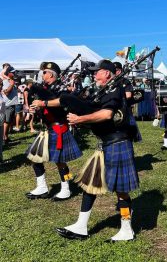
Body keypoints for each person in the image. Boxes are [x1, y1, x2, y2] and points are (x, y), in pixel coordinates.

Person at [52, 60, 138, 241]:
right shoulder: (103, 90)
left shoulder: (115, 88)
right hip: (104, 144)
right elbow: (91, 107)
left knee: (121, 190)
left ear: (107, 73)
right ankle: (81, 226)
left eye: (96, 72)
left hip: (117, 143)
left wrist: (80, 119)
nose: (93, 75)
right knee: (91, 185)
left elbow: (106, 114)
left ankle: (126, 229)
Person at [26, 62, 82, 201]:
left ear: (50, 74)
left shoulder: (61, 87)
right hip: (46, 128)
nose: (42, 74)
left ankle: (66, 189)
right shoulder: (43, 88)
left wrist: (43, 103)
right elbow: (41, 106)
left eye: (44, 72)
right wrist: (35, 109)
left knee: (60, 161)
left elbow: (62, 102)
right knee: (33, 156)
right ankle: (42, 187)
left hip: (58, 127)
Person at [113, 61, 142, 142]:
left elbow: (128, 95)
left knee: (126, 134)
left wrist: (115, 96)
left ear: (119, 71)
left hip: (124, 108)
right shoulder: (111, 82)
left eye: (114, 70)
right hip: (113, 107)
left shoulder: (125, 81)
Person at [1, 72, 18, 145]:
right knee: (6, 122)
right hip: (7, 105)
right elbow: (6, 92)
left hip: (10, 104)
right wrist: (11, 84)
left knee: (7, 122)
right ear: (8, 74)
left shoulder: (11, 81)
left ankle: (6, 137)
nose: (14, 73)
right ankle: (4, 138)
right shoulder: (6, 82)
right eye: (13, 72)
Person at [0, 81, 5, 163]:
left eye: (1, 84)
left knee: (0, 140)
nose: (1, 86)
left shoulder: (1, 94)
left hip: (1, 120)